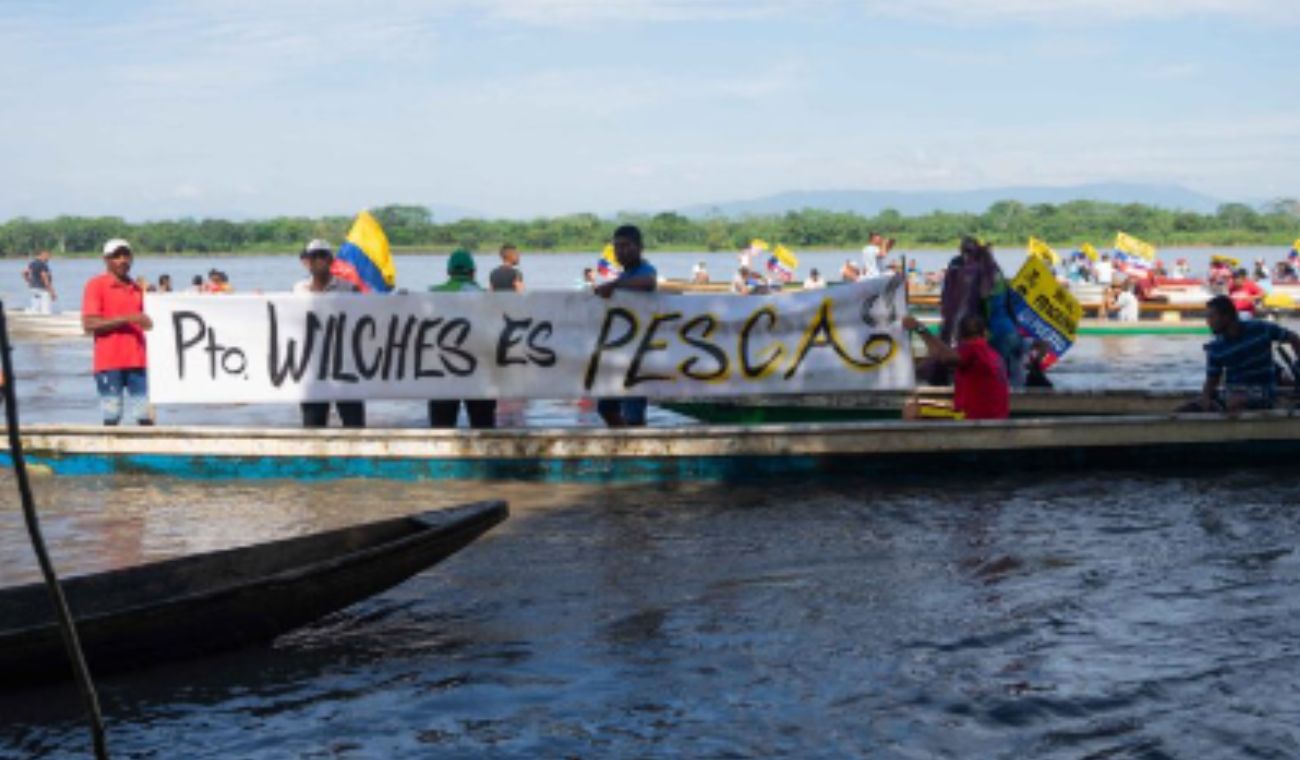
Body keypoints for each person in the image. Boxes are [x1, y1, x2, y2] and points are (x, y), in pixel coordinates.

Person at [1180, 295, 1300, 413]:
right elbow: (1212, 380)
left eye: (1212, 317)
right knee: (1188, 408)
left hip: (1263, 392)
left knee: (1234, 402)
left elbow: (1293, 338)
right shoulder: (1215, 348)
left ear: (1226, 316)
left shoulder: (1261, 329)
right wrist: (1205, 399)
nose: (1208, 322)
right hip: (1232, 392)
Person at [293, 239, 366, 428]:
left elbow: (368, 315)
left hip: (346, 366)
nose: (319, 260)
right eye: (314, 256)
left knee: (354, 425)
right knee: (313, 425)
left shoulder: (349, 288)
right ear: (305, 261)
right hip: (312, 368)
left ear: (331, 259)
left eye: (323, 255)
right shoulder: (298, 290)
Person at [81, 239, 153, 426]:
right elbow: (89, 324)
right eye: (116, 256)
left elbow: (154, 322)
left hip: (138, 361)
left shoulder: (138, 289)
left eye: (126, 255)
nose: (122, 260)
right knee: (112, 416)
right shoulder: (96, 285)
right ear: (106, 259)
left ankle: (145, 453)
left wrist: (154, 297)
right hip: (109, 362)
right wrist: (127, 318)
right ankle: (112, 454)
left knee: (145, 416)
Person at [593, 225, 656, 427]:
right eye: (617, 247)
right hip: (619, 350)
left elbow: (648, 283)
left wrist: (614, 286)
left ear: (639, 248)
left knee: (634, 411)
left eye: (626, 246)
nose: (621, 251)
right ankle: (625, 442)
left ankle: (638, 450)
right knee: (606, 407)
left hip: (639, 351)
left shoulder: (644, 269)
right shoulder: (623, 275)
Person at [429, 249, 496, 429]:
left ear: (448, 272)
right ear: (473, 272)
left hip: (442, 371)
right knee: (483, 428)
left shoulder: (431, 295)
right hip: (480, 372)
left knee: (441, 428)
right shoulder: (488, 297)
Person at [901, 313, 1009, 420]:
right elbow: (940, 354)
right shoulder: (994, 354)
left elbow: (947, 358)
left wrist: (920, 328)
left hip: (972, 416)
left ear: (959, 336)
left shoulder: (973, 348)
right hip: (996, 416)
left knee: (911, 408)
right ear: (985, 333)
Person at [26, 249, 56, 314]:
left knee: (35, 306)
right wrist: (52, 292)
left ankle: (34, 312)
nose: (49, 259)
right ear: (43, 255)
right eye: (48, 256)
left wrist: (28, 282)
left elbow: (24, 272)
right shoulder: (43, 265)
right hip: (42, 289)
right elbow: (45, 277)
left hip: (33, 288)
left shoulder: (32, 263)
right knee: (46, 310)